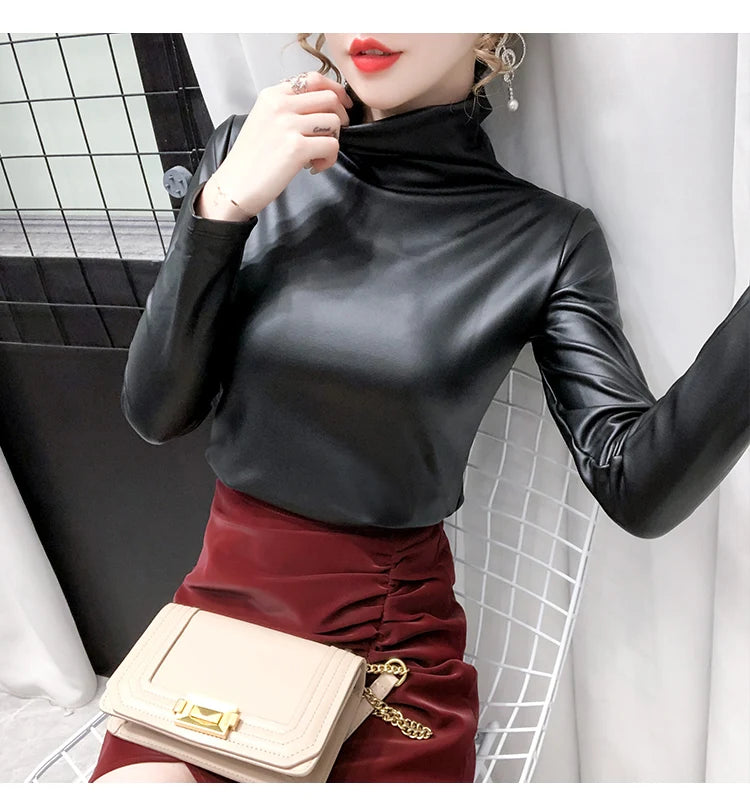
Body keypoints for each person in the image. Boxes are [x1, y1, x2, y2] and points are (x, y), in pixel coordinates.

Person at [89, 33, 749, 783]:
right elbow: (156, 412)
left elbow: (637, 484)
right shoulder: (249, 152)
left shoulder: (545, 238)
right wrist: (222, 209)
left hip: (386, 647)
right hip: (224, 614)